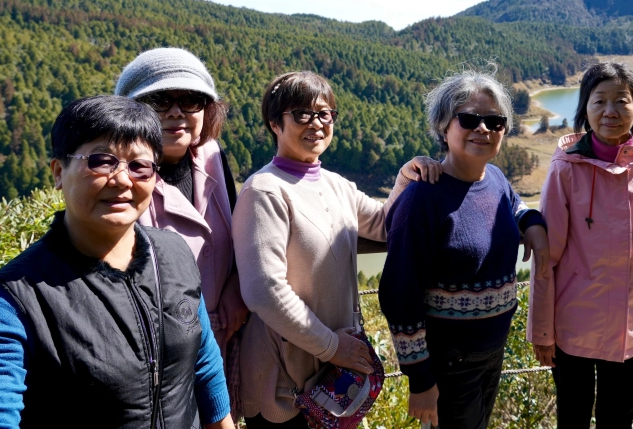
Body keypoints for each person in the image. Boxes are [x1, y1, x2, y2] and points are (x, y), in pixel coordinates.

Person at [0, 95, 234, 429]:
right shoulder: (14, 301)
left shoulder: (173, 254)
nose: (123, 180)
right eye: (102, 161)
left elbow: (203, 362)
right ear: (58, 172)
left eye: (139, 166)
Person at [232, 71, 442, 428]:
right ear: (274, 123)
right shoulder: (265, 190)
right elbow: (263, 290)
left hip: (333, 381)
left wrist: (404, 180)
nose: (316, 123)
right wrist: (333, 346)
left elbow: (384, 225)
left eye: (324, 113)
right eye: (301, 114)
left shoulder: (337, 185)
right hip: (284, 386)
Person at [378, 68, 549, 429]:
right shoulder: (423, 197)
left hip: (492, 351)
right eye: (469, 118)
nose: (483, 129)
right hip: (449, 363)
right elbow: (399, 291)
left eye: (494, 121)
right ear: (444, 127)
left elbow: (513, 203)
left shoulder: (496, 179)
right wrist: (420, 379)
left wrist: (531, 222)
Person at [527, 62, 633, 429]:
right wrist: (542, 331)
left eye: (621, 101)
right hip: (573, 329)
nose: (610, 111)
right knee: (572, 419)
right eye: (599, 101)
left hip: (632, 330)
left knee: (618, 421)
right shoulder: (564, 169)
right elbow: (547, 258)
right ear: (585, 108)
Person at [115, 48, 248, 353]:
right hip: (161, 352)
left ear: (206, 109)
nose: (176, 112)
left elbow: (243, 231)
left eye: (190, 100)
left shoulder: (212, 156)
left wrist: (239, 283)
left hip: (230, 339)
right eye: (159, 101)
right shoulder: (122, 182)